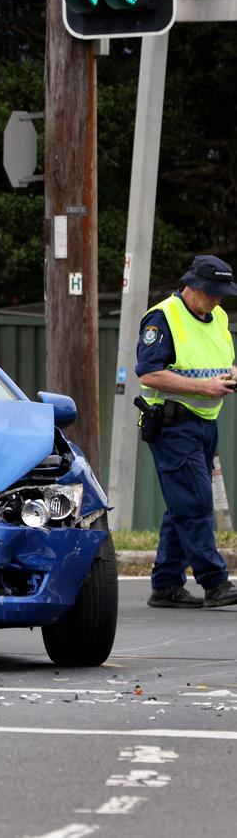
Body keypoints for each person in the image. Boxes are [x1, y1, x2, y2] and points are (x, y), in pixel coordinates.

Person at [136, 254, 237, 609]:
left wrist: (230, 375)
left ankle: (165, 585)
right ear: (191, 285)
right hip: (173, 423)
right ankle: (214, 582)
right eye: (211, 292)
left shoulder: (219, 317)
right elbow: (148, 374)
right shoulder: (162, 317)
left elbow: (222, 359)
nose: (217, 299)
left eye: (222, 293)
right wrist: (203, 388)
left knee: (182, 502)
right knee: (195, 502)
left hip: (205, 423)